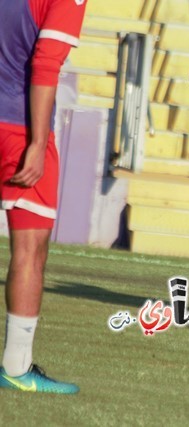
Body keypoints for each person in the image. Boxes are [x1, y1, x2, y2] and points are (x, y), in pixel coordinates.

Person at [0, 0, 87, 394]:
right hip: (17, 127)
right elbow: (46, 61)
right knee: (30, 249)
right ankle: (16, 368)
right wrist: (37, 143)